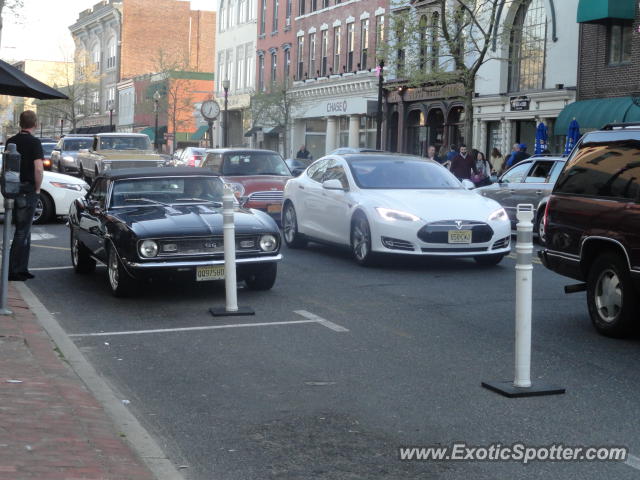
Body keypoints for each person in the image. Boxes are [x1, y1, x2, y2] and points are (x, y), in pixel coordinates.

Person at [7, 110, 44, 281]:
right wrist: (37, 189)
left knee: (24, 230)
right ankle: (14, 270)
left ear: (20, 123)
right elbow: (38, 168)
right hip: (27, 190)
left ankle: (22, 268)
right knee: (22, 232)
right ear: (35, 124)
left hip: (12, 189)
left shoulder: (11, 141)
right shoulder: (35, 142)